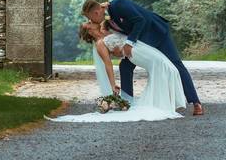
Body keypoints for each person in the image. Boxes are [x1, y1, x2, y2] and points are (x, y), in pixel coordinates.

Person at [83, 0, 204, 116]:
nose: (91, 21)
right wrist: (118, 50)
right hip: (141, 44)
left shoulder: (119, 4)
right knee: (125, 66)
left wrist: (129, 44)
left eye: (90, 18)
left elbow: (139, 20)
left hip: (157, 34)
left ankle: (196, 102)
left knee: (176, 64)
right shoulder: (108, 19)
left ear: (96, 12)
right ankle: (126, 102)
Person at [47, 19, 185, 123]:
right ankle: (166, 104)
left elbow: (119, 38)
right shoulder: (100, 44)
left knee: (168, 67)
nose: (91, 21)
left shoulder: (106, 30)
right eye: (88, 22)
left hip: (137, 46)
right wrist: (113, 85)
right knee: (164, 67)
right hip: (134, 52)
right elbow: (108, 65)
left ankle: (167, 102)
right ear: (88, 30)